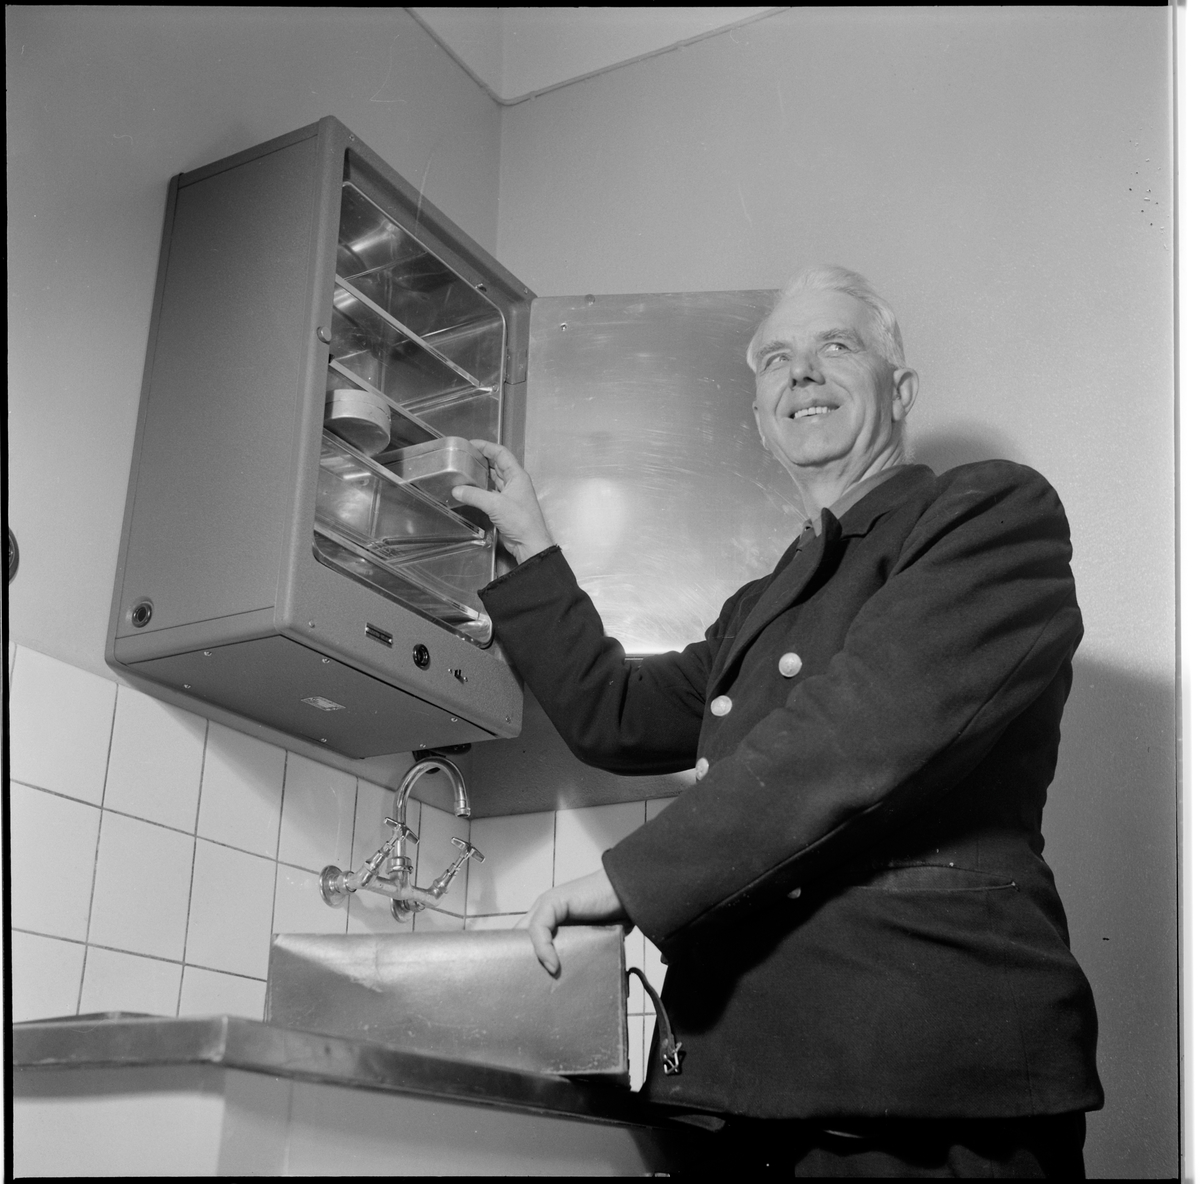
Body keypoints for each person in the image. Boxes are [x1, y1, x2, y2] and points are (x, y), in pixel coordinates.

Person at [452, 265, 1102, 1177]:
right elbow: (617, 716)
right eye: (775, 360)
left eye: (837, 346)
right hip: (741, 1094)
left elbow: (863, 734)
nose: (802, 372)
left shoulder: (990, 511)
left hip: (919, 1092)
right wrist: (530, 550)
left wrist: (632, 882)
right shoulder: (759, 607)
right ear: (761, 417)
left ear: (900, 390)